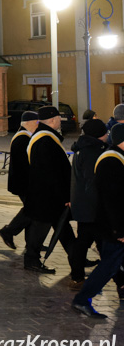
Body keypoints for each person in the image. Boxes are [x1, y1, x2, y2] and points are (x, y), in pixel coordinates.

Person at [72, 124, 124, 318]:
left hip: (113, 224)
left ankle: (82, 299)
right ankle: (82, 299)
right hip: (113, 226)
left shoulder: (116, 157)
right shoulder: (110, 161)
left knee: (111, 263)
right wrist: (120, 231)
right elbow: (112, 200)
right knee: (109, 265)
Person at [24, 106, 74, 274]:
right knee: (40, 229)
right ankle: (31, 260)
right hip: (47, 196)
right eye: (59, 118)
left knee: (63, 228)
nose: (60, 121)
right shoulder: (45, 140)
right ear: (52, 120)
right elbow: (52, 172)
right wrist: (65, 195)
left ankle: (77, 258)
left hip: (46, 194)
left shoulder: (43, 137)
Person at [68, 118, 114, 289]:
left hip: (84, 205)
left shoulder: (82, 148)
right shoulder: (93, 151)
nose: (107, 134)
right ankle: (79, 277)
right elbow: (93, 181)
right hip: (92, 207)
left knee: (87, 241)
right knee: (96, 242)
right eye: (105, 132)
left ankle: (78, 275)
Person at [0, 111, 39, 249]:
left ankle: (31, 242)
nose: (38, 125)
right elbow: (25, 164)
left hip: (22, 182)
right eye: (37, 122)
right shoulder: (23, 138)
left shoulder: (23, 136)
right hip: (24, 183)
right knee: (31, 210)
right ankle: (8, 231)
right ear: (29, 123)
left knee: (32, 211)